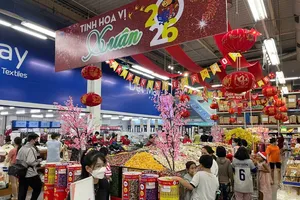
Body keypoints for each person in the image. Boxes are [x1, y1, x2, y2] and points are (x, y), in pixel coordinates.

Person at [17, 133, 42, 200]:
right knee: (38, 187)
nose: (37, 141)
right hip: (30, 173)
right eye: (36, 139)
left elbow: (17, 159)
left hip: (21, 172)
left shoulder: (22, 148)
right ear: (32, 140)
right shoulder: (31, 149)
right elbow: (30, 162)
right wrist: (38, 161)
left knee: (22, 191)